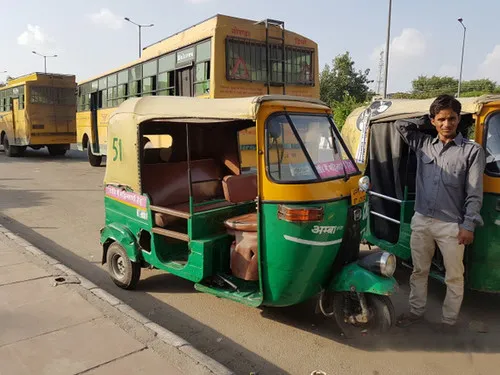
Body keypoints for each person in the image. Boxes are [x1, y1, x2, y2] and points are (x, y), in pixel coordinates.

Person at [394, 94, 485, 332]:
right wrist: (426, 118)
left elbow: (474, 193)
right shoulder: (423, 144)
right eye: (441, 119)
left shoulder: (471, 152)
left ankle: (448, 322)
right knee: (419, 270)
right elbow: (399, 125)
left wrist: (468, 225)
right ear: (434, 121)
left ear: (459, 120)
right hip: (422, 219)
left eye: (452, 118)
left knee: (454, 276)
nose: (447, 124)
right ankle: (416, 311)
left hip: (452, 226)